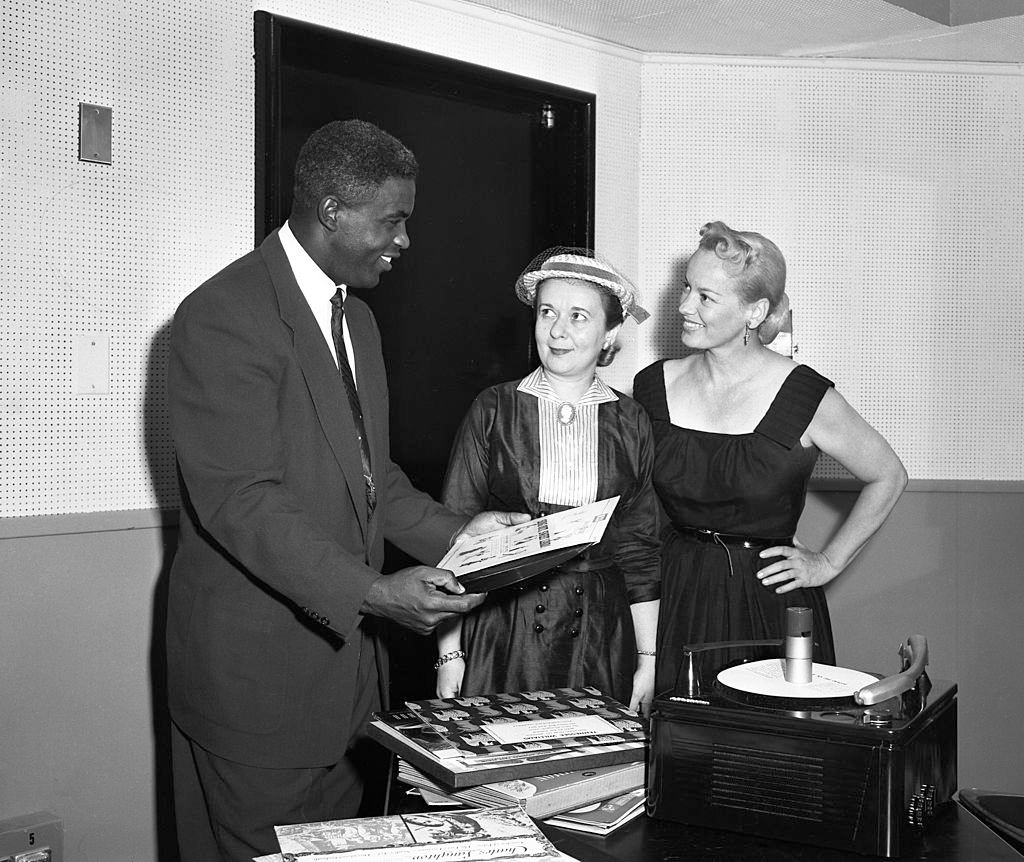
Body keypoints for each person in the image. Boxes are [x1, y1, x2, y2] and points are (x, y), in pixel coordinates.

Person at [165, 119, 527, 862]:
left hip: (348, 695)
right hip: (256, 694)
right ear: (333, 211)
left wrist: (464, 534)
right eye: (393, 221)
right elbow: (241, 501)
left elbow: (373, 480)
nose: (404, 242)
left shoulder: (356, 319)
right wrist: (376, 592)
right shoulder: (222, 315)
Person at [632, 221, 907, 694]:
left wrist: (827, 562)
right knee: (680, 753)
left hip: (768, 604)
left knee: (766, 760)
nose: (683, 307)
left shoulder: (805, 395)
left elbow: (888, 475)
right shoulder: (652, 386)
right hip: (673, 597)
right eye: (685, 289)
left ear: (755, 311)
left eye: (705, 297)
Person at [436, 248, 661, 714]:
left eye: (579, 316)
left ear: (609, 333)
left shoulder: (632, 421)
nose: (558, 331)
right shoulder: (494, 409)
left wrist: (647, 659)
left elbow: (640, 550)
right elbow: (454, 540)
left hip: (599, 636)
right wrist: (450, 654)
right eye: (547, 313)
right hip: (503, 632)